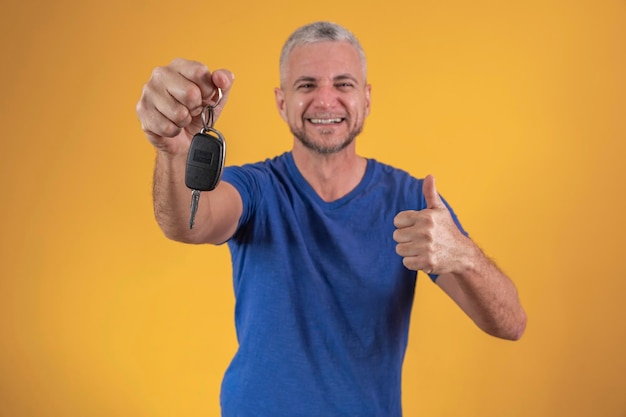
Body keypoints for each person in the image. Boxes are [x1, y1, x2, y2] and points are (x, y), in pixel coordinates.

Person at [136, 21, 526, 417]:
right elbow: (188, 223)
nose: (326, 101)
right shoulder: (255, 187)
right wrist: (172, 150)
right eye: (306, 85)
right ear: (281, 101)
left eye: (343, 84)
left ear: (367, 99)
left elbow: (510, 324)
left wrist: (463, 255)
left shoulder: (412, 201)